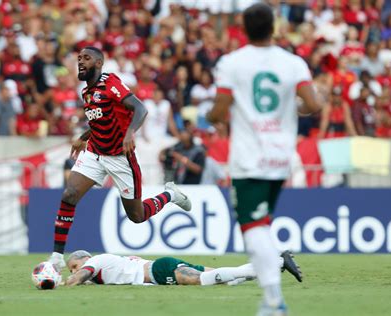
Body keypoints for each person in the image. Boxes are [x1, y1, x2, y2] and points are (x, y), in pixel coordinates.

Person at [207, 4, 321, 315]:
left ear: (243, 28)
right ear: (274, 27)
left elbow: (219, 110)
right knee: (261, 222)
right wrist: (287, 110)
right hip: (281, 155)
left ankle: (273, 301)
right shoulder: (293, 62)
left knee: (252, 226)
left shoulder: (232, 63)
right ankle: (272, 297)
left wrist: (211, 114)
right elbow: (312, 103)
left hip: (250, 156)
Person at [48, 47, 191, 270]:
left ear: (99, 63)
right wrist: (83, 137)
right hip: (95, 152)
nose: (81, 62)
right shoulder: (86, 92)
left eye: (86, 58)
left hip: (120, 156)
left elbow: (140, 109)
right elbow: (100, 121)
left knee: (137, 215)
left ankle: (171, 194)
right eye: (79, 59)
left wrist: (129, 134)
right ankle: (56, 258)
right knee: (70, 194)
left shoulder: (110, 83)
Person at [65, 249, 302, 286]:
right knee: (225, 279)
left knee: (205, 281)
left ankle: (278, 262)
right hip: (159, 266)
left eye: (74, 266)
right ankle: (273, 262)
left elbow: (80, 277)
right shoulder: (107, 260)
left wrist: (63, 282)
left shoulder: (94, 262)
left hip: (159, 271)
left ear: (85, 258)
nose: (73, 271)